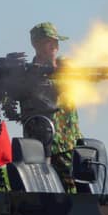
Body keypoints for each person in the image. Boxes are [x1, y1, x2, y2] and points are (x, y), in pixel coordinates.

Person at [25, 21, 83, 191]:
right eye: (48, 41)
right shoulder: (27, 74)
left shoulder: (65, 69)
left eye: (56, 42)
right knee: (42, 195)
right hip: (40, 147)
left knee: (74, 197)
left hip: (68, 145)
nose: (54, 46)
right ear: (36, 44)